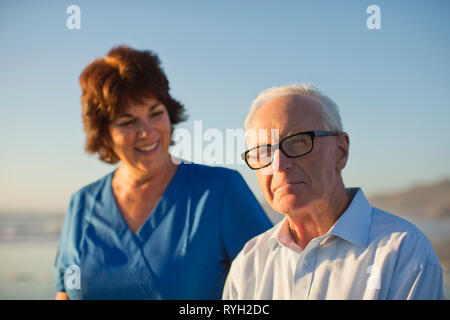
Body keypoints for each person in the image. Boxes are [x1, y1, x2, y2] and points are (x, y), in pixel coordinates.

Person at [54, 45, 272, 299]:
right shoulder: (82, 204)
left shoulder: (220, 190)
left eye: (155, 113)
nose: (147, 132)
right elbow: (65, 295)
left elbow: (273, 287)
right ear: (104, 134)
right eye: (128, 122)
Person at [223, 84, 445, 300]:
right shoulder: (248, 263)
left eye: (298, 142)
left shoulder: (403, 252)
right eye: (263, 151)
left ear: (341, 151)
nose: (278, 164)